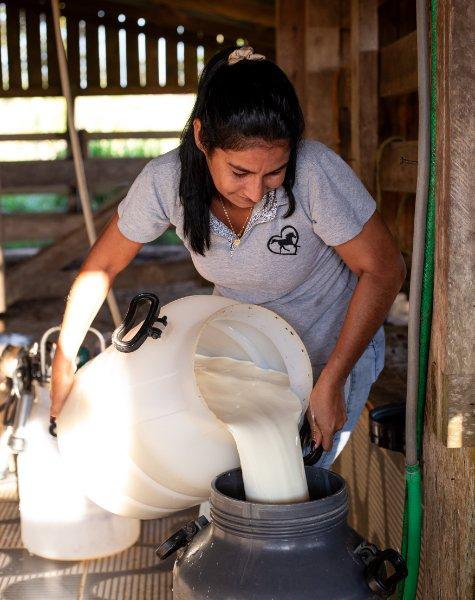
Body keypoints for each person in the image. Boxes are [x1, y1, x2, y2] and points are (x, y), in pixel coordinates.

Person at [51, 46, 405, 468]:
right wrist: (63, 361)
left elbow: (384, 269)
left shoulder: (314, 172)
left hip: (332, 352)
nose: (255, 191)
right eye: (239, 172)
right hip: (246, 353)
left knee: (295, 481)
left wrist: (334, 378)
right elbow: (102, 267)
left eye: (274, 172)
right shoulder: (167, 182)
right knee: (223, 475)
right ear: (202, 138)